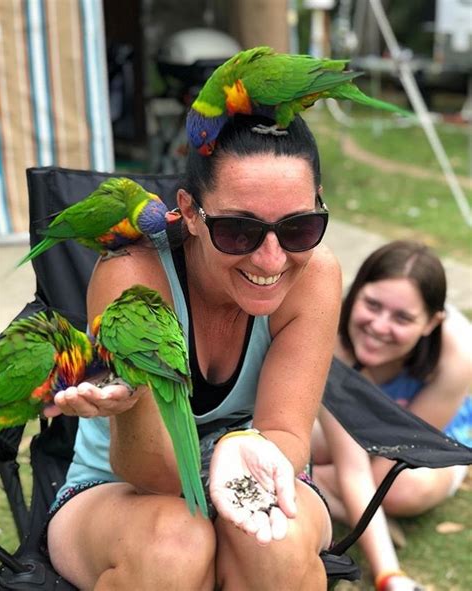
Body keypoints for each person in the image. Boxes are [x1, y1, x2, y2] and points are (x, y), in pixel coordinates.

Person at [43, 113, 341, 590]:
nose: (271, 258)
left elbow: (285, 433)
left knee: (275, 542)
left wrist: (243, 448)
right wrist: (135, 406)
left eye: (299, 227)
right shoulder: (133, 277)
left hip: (261, 472)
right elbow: (153, 474)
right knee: (176, 545)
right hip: (123, 490)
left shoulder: (315, 276)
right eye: (238, 231)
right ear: (190, 212)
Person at [311, 240, 472, 591]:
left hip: (430, 442)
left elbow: (391, 463)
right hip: (357, 439)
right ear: (356, 293)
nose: (379, 327)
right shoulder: (327, 333)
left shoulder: (457, 357)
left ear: (432, 322)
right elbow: (353, 467)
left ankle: (313, 484)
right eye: (372, 305)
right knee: (296, 444)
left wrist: (388, 576)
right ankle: (349, 508)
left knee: (400, 489)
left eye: (403, 318)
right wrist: (390, 575)